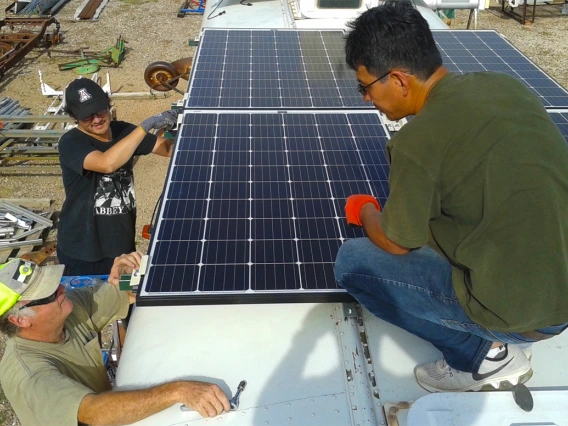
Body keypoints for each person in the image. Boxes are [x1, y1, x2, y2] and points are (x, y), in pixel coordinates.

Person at [334, 0, 568, 393]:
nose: (364, 98)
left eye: (365, 86)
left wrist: (367, 211)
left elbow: (396, 243)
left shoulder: (417, 142)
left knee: (352, 263)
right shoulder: (504, 86)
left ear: (399, 79)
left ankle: (481, 358)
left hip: (522, 314)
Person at [0, 254, 230, 425]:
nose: (62, 288)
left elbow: (126, 293)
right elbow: (94, 413)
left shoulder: (68, 310)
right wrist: (177, 391)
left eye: (55, 283)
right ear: (20, 320)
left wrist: (127, 276)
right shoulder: (29, 374)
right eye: (50, 294)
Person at [57, 78, 178, 276]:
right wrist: (144, 127)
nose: (96, 119)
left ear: (108, 105)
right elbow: (106, 164)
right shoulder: (71, 143)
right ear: (74, 117)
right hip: (82, 250)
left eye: (100, 110)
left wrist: (188, 131)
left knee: (123, 302)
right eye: (87, 116)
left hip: (121, 246)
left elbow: (166, 149)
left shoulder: (123, 132)